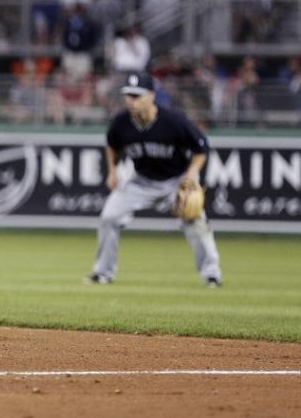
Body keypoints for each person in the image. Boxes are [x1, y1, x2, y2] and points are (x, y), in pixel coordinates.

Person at [85, 72, 222, 287]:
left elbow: (201, 148)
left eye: (137, 95)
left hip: (174, 183)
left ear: (151, 96)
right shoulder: (121, 122)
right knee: (109, 217)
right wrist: (112, 170)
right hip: (140, 182)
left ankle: (211, 274)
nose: (131, 100)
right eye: (128, 95)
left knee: (196, 221)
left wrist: (191, 173)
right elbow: (112, 144)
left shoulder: (174, 121)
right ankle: (102, 273)